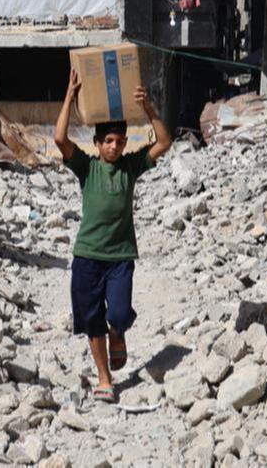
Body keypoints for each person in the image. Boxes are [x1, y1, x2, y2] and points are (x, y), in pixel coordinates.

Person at [54, 66, 172, 403]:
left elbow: (164, 142)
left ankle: (118, 332)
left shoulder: (131, 166)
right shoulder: (87, 167)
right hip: (88, 256)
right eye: (108, 141)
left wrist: (149, 108)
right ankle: (104, 379)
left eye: (120, 141)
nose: (115, 147)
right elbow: (60, 139)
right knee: (92, 321)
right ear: (97, 143)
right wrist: (69, 96)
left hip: (120, 257)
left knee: (117, 314)